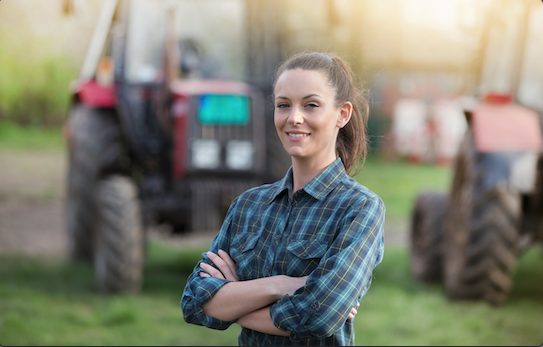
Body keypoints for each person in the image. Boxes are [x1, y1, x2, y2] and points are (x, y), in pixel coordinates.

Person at [181, 52, 385, 346]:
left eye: (311, 105)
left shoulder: (360, 208)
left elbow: (318, 315)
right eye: (283, 105)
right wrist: (279, 286)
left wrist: (233, 299)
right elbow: (194, 301)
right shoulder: (248, 205)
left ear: (343, 114)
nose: (294, 118)